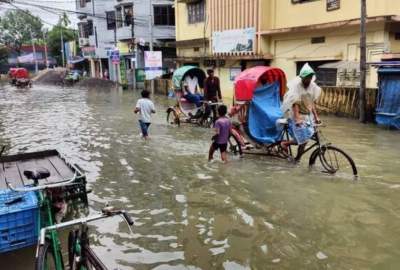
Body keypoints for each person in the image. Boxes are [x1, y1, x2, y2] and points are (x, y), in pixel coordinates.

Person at [280, 63, 322, 161]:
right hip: (295, 115)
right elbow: (295, 104)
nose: (308, 80)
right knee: (302, 140)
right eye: (306, 78)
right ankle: (285, 144)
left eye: (310, 77)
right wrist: (297, 118)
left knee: (307, 139)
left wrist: (316, 117)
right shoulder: (297, 87)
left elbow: (311, 103)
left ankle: (297, 159)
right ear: (302, 78)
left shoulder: (312, 87)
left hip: (307, 115)